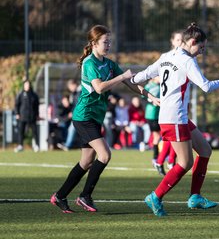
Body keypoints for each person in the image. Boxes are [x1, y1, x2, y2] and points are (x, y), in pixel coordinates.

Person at [50, 25, 159, 213]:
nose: (108, 45)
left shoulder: (109, 64)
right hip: (84, 116)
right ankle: (85, 196)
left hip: (95, 118)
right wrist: (122, 76)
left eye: (110, 42)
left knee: (86, 162)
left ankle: (59, 196)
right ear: (94, 43)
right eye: (105, 42)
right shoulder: (89, 63)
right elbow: (99, 87)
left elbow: (130, 82)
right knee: (105, 154)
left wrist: (149, 96)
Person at [131, 22, 219, 216]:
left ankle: (195, 197)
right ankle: (155, 196)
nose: (202, 52)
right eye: (201, 48)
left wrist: (140, 88)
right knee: (185, 163)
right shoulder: (187, 61)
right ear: (192, 42)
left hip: (174, 116)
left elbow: (139, 77)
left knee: (205, 150)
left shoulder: (166, 56)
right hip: (175, 118)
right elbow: (206, 86)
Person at [154, 30, 184, 175]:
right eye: (177, 40)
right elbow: (153, 76)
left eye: (182, 40)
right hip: (167, 107)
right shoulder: (167, 57)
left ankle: (169, 161)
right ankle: (164, 161)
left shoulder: (183, 58)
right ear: (172, 41)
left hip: (179, 105)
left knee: (174, 138)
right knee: (171, 138)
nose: (180, 42)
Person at [14, 80, 40, 153]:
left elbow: (36, 106)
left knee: (35, 131)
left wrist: (37, 114)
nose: (27, 86)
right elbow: (16, 105)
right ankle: (20, 145)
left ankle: (36, 145)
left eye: (28, 85)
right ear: (24, 86)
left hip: (32, 116)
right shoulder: (20, 94)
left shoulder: (34, 95)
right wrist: (17, 113)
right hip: (23, 116)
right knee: (21, 131)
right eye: (26, 85)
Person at [57, 79, 81, 151]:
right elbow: (73, 105)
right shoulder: (74, 94)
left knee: (72, 128)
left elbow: (79, 105)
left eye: (70, 87)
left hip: (80, 115)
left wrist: (74, 112)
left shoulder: (80, 92)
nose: (70, 89)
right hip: (77, 115)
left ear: (74, 84)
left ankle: (67, 145)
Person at [144, 77, 162, 170]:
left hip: (161, 114)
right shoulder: (149, 86)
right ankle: (155, 158)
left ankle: (161, 156)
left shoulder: (162, 85)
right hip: (152, 114)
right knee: (157, 137)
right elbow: (143, 96)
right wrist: (151, 100)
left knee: (161, 137)